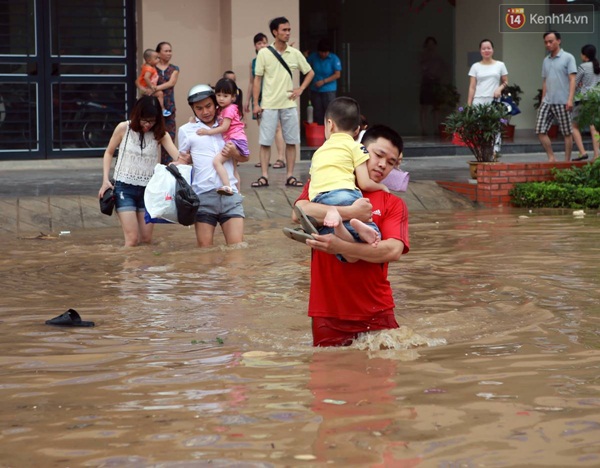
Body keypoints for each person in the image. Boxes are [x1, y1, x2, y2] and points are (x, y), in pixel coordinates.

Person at [293, 125, 409, 347]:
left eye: (391, 162)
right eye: (379, 155)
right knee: (326, 378)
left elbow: (393, 251)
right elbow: (298, 212)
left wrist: (341, 247)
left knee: (384, 378)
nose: (383, 165)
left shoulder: (393, 203)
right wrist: (352, 213)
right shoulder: (327, 183)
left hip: (377, 311)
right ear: (359, 151)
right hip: (327, 312)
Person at [98, 96, 182, 247]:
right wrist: (105, 180)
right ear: (137, 115)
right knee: (132, 240)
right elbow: (109, 152)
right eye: (145, 120)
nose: (148, 125)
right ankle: (128, 270)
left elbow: (179, 158)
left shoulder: (160, 134)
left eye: (152, 120)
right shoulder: (124, 128)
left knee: (146, 240)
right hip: (124, 188)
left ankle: (144, 270)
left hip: (148, 191)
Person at [306, 97, 388, 250]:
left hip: (321, 200)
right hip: (346, 195)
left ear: (329, 124)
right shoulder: (355, 147)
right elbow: (364, 182)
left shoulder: (318, 152)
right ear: (357, 130)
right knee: (374, 236)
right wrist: (381, 186)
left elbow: (313, 182)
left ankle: (335, 224)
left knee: (330, 233)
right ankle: (362, 228)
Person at [178, 84, 246, 248]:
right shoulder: (186, 130)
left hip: (231, 196)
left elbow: (245, 157)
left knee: (237, 250)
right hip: (203, 196)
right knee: (205, 253)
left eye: (208, 106)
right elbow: (183, 160)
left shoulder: (229, 125)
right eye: (199, 108)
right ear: (193, 109)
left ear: (216, 103)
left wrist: (234, 154)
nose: (205, 111)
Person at [251, 16, 314, 188]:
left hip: (288, 104)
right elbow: (257, 79)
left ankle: (290, 176)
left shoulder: (294, 53)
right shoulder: (264, 53)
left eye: (289, 30)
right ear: (275, 32)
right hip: (269, 104)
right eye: (284, 30)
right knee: (265, 142)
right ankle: (264, 176)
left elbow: (309, 72)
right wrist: (256, 104)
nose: (287, 33)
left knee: (291, 141)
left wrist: (300, 89)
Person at [196, 78, 249, 196]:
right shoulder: (224, 108)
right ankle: (238, 193)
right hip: (237, 140)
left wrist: (207, 132)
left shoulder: (229, 109)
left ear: (233, 97)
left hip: (235, 141)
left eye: (225, 96)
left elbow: (224, 128)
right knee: (234, 169)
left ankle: (227, 187)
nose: (221, 98)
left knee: (216, 162)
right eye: (218, 95)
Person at [244, 32, 286, 169]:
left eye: (264, 42)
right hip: (258, 98)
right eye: (259, 43)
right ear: (255, 46)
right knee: (263, 128)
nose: (262, 45)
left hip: (272, 97)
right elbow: (252, 82)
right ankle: (265, 159)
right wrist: (247, 100)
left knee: (277, 127)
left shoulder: (273, 58)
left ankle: (280, 158)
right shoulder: (254, 62)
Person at [536, 31, 577, 162]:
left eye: (551, 41)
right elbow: (545, 81)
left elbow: (572, 80)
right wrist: (542, 100)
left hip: (563, 101)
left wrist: (570, 99)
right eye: (546, 42)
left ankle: (566, 161)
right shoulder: (545, 60)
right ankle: (551, 157)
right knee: (540, 130)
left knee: (566, 132)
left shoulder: (568, 57)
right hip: (548, 101)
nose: (548, 44)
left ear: (558, 41)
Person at [467, 39, 508, 156]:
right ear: (480, 51)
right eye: (484, 48)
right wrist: (469, 105)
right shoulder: (475, 66)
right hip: (478, 100)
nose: (486, 50)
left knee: (495, 126)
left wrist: (499, 89)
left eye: (489, 48)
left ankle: (495, 152)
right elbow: (472, 87)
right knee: (478, 127)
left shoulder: (500, 65)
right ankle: (481, 153)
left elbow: (505, 82)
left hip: (493, 100)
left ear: (493, 50)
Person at [571, 44, 600, 162]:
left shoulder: (583, 66)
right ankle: (597, 155)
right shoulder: (598, 66)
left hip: (583, 99)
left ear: (585, 55)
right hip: (596, 99)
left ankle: (582, 152)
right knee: (594, 128)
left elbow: (575, 82)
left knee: (574, 126)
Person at [307, 38, 342, 125]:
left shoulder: (334, 58)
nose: (323, 54)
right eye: (321, 52)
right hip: (315, 89)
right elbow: (305, 65)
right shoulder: (314, 56)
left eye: (326, 52)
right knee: (317, 112)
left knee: (330, 111)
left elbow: (337, 74)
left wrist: (324, 81)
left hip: (329, 89)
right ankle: (319, 132)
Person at [156, 41, 180, 165]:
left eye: (170, 50)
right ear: (158, 53)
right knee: (153, 138)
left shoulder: (174, 69)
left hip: (169, 108)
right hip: (154, 108)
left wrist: (155, 88)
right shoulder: (151, 68)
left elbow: (171, 83)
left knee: (169, 137)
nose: (169, 53)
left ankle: (168, 167)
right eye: (166, 51)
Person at [137, 49, 170, 117]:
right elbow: (146, 78)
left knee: (150, 99)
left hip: (145, 87)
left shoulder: (149, 66)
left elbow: (143, 66)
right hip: (146, 88)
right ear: (149, 61)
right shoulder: (149, 69)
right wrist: (151, 86)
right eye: (156, 58)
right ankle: (162, 110)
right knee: (160, 93)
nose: (158, 60)